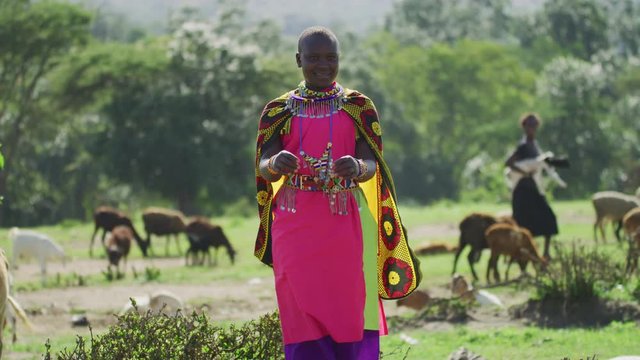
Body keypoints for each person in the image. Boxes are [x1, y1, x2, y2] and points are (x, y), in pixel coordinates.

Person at [253, 26, 421, 359]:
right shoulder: (278, 110)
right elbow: (263, 164)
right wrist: (275, 162)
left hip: (346, 223)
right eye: (313, 58)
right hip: (294, 222)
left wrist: (357, 168)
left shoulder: (358, 106)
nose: (323, 65)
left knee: (349, 304)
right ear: (298, 60)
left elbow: (372, 163)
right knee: (299, 303)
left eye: (331, 58)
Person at [505, 113, 559, 260]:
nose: (532, 128)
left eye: (534, 126)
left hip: (533, 188)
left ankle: (545, 253)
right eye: (529, 126)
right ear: (524, 127)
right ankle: (522, 254)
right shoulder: (523, 146)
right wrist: (525, 172)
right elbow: (508, 163)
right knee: (523, 223)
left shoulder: (534, 145)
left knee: (548, 218)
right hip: (522, 190)